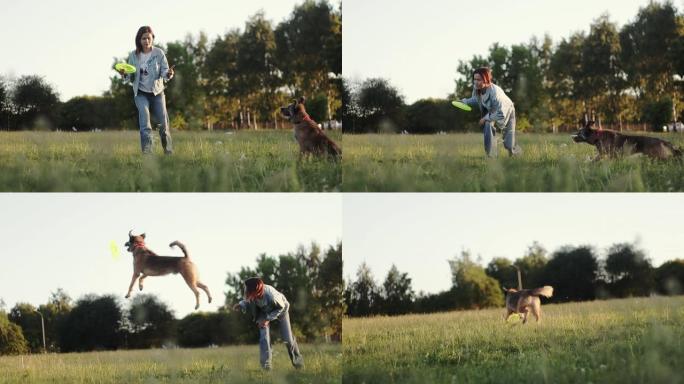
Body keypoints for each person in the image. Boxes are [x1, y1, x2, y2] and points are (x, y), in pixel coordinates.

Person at [118, 26, 174, 154]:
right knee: (145, 123)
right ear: (139, 40)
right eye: (143, 38)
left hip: (157, 93)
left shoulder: (159, 53)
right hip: (141, 94)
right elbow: (130, 75)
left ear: (152, 39)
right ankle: (148, 154)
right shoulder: (133, 55)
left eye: (148, 38)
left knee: (163, 124)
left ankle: (168, 152)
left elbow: (164, 70)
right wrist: (124, 74)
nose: (146, 41)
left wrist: (169, 74)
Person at [232, 277, 304, 370]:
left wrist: (268, 319)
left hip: (281, 310)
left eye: (247, 290)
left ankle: (298, 364)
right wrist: (241, 305)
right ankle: (266, 367)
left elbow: (281, 307)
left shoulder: (271, 295)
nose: (245, 291)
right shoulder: (253, 293)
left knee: (288, 339)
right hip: (263, 312)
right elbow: (248, 299)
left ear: (256, 290)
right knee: (264, 338)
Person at [461, 67, 521, 157]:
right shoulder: (477, 88)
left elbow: (501, 113)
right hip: (491, 111)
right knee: (488, 124)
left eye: (479, 80)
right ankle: (491, 156)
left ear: (486, 79)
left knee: (509, 144)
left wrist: (485, 118)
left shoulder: (495, 93)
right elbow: (476, 99)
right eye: (474, 79)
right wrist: (465, 102)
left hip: (506, 111)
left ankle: (517, 153)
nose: (476, 82)